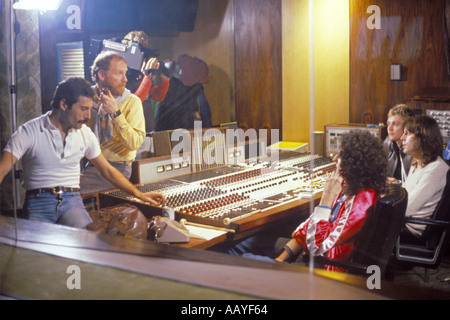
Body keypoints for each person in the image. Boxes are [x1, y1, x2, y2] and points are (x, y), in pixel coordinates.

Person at [0, 77, 166, 228]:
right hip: (38, 201)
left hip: (71, 201)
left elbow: (107, 170)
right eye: (83, 109)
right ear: (64, 105)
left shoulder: (84, 133)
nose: (88, 116)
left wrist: (138, 194)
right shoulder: (29, 131)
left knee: (89, 246)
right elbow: (2, 170)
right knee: (37, 254)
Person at [222, 130, 388, 271]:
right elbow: (309, 228)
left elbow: (319, 247)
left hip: (322, 269)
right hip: (309, 254)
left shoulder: (361, 204)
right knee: (243, 244)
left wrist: (325, 201)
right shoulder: (351, 188)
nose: (334, 158)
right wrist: (281, 259)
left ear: (354, 163)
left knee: (241, 259)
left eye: (341, 155)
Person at [80, 51, 146, 194]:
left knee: (70, 191)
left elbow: (134, 144)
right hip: (89, 164)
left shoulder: (132, 102)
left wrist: (116, 114)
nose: (125, 79)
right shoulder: (86, 98)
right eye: (118, 73)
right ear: (102, 75)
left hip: (117, 168)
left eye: (125, 73)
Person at [400, 115, 449, 238]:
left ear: (423, 138)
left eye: (408, 133)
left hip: (410, 231)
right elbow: (405, 193)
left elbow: (406, 208)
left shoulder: (435, 168)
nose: (402, 138)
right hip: (402, 224)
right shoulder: (417, 162)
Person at [383, 104, 415, 183]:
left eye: (395, 124)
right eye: (388, 124)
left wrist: (395, 183)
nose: (389, 128)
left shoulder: (415, 149)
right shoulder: (388, 143)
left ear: (407, 127)